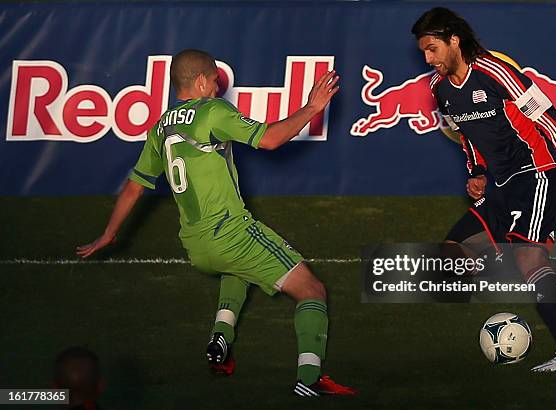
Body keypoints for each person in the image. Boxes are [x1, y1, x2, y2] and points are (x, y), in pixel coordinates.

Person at [77, 49, 354, 396]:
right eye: (215, 82)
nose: (218, 89)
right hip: (233, 233)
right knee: (312, 291)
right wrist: (313, 107)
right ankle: (310, 379)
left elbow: (134, 187)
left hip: (196, 245)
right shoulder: (213, 111)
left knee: (237, 268)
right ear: (200, 82)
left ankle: (220, 340)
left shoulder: (160, 127)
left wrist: (108, 233)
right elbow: (269, 139)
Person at [412, 8, 556, 371]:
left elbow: (549, 120)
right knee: (453, 254)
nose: (427, 58)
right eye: (423, 52)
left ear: (454, 40)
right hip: (500, 184)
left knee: (526, 258)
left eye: (432, 49)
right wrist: (477, 170)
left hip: (537, 173)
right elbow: (467, 136)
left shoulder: (495, 72)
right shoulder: (439, 89)